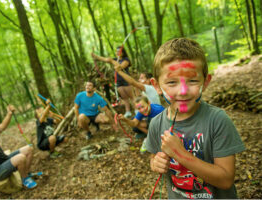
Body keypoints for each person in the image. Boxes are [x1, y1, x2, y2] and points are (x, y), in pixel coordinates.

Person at [146, 38, 246, 198]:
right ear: (156, 86)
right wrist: (155, 163)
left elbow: (226, 179)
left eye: (192, 81)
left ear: (205, 82)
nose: (183, 91)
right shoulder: (157, 123)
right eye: (172, 82)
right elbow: (152, 156)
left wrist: (180, 154)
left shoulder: (217, 120)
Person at [92, 46, 134, 118]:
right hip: (119, 81)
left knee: (132, 96)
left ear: (123, 52)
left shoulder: (126, 60)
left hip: (126, 80)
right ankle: (128, 111)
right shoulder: (115, 60)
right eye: (117, 51)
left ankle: (137, 110)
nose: (117, 53)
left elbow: (120, 67)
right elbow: (104, 59)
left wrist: (111, 61)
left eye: (119, 51)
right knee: (124, 97)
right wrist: (95, 56)